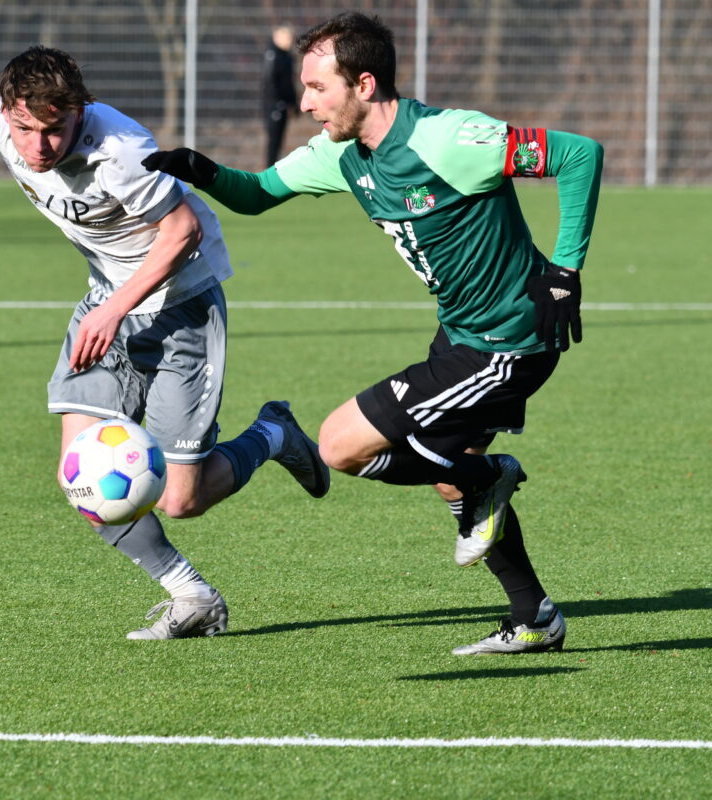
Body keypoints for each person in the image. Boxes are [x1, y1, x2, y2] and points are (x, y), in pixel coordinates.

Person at [143, 13, 603, 654]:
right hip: (461, 334)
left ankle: (488, 481)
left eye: (317, 88)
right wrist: (200, 168)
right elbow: (258, 193)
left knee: (339, 446)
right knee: (450, 473)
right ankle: (535, 616)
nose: (305, 103)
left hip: (508, 341)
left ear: (364, 84)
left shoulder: (450, 139)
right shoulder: (340, 154)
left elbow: (578, 155)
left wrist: (564, 272)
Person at [0, 46, 329, 641]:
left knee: (182, 500)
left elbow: (183, 230)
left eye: (54, 131)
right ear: (7, 112)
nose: (38, 147)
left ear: (79, 113)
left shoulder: (121, 150)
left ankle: (273, 434)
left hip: (182, 306)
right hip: (108, 304)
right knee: (82, 476)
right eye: (25, 130)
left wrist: (115, 310)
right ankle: (191, 595)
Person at [263, 25, 298, 167]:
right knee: (273, 140)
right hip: (274, 106)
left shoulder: (287, 56)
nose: (290, 41)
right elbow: (270, 81)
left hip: (283, 105)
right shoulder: (273, 55)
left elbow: (289, 83)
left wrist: (293, 102)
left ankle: (273, 168)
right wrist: (276, 103)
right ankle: (269, 170)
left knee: (279, 141)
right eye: (287, 37)